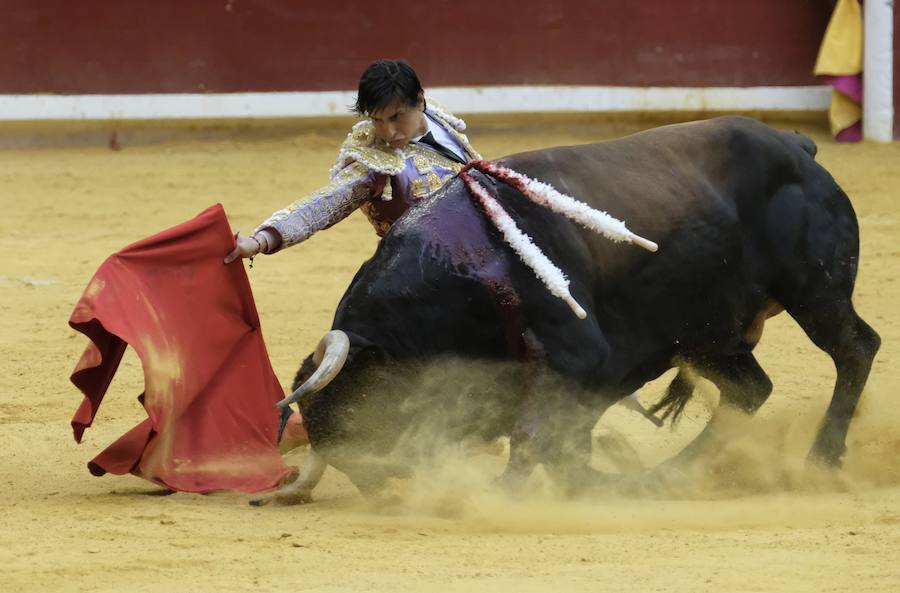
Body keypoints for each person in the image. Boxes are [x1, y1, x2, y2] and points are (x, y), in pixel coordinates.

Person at [224, 59, 481, 264]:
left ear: (420, 101)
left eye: (396, 117)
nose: (389, 132)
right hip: (425, 268)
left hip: (480, 243)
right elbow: (324, 204)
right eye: (378, 120)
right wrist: (260, 241)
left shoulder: (437, 115)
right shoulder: (373, 162)